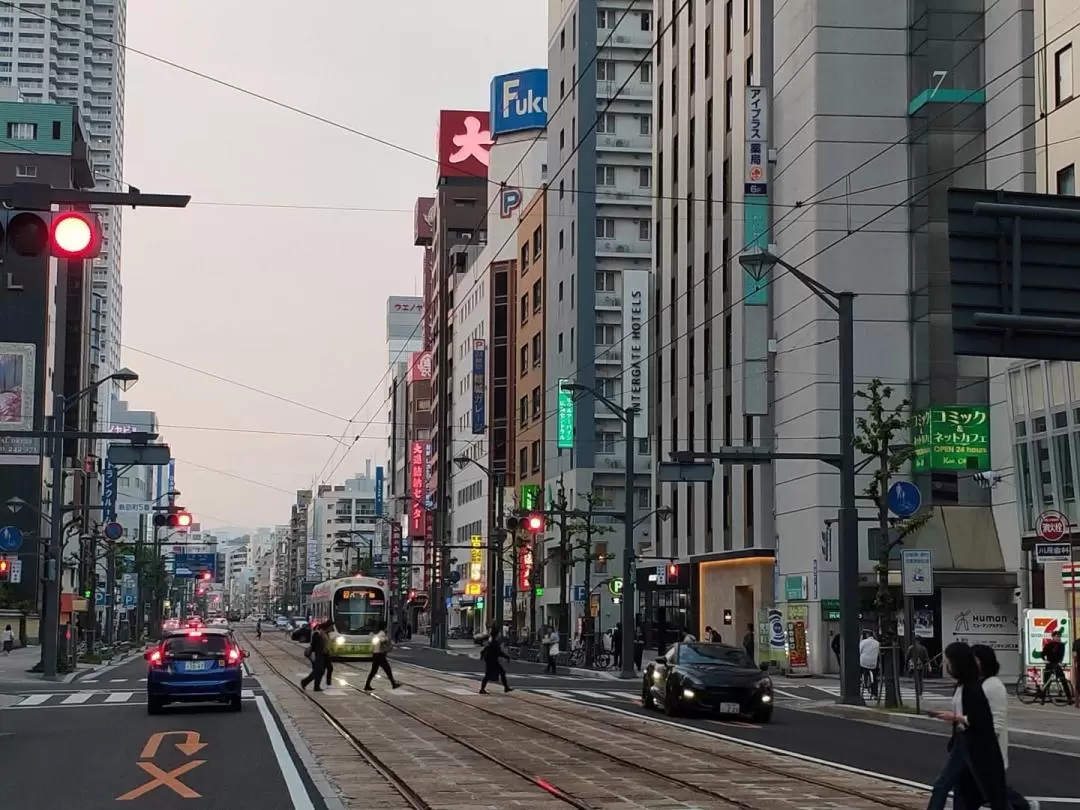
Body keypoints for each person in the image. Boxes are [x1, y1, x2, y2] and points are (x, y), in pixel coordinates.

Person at [926, 641, 1008, 810]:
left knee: (987, 790)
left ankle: (1023, 805)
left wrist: (957, 718)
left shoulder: (984, 687)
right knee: (960, 789)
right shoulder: (964, 685)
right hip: (963, 741)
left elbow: (986, 721)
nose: (946, 665)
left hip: (977, 744)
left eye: (949, 661)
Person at [971, 644, 1037, 810]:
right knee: (986, 788)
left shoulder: (993, 685)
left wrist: (984, 741)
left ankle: (1024, 806)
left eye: (975, 660)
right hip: (972, 745)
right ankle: (1024, 806)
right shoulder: (973, 683)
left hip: (988, 748)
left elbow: (997, 721)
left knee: (990, 788)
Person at [364, 621, 401, 691]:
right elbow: (382, 640)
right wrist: (387, 639)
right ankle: (393, 684)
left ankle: (367, 685)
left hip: (375, 654)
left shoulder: (377, 633)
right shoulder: (382, 633)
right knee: (387, 670)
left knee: (373, 671)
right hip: (380, 655)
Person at [479, 626, 513, 694]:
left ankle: (482, 689)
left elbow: (486, 648)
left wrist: (482, 654)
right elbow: (498, 652)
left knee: (489, 674)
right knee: (500, 672)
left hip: (490, 659)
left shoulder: (491, 640)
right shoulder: (494, 641)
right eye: (499, 633)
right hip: (492, 660)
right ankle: (506, 688)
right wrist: (507, 657)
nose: (500, 634)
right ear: (496, 634)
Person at [300, 622, 327, 692]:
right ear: (320, 629)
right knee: (317, 671)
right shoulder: (316, 635)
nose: (324, 632)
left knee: (319, 671)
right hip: (316, 656)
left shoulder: (321, 635)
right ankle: (305, 682)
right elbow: (313, 646)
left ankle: (316, 686)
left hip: (320, 655)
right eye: (323, 630)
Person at [859, 630, 881, 698]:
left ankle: (861, 682)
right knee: (875, 677)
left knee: (860, 672)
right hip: (873, 663)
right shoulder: (877, 643)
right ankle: (875, 694)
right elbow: (878, 653)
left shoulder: (863, 642)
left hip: (863, 662)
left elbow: (860, 650)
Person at [320, 620, 335, 688]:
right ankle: (307, 682)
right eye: (331, 627)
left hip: (326, 654)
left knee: (329, 669)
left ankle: (328, 684)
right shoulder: (322, 633)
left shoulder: (327, 634)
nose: (332, 628)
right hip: (323, 654)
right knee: (323, 670)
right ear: (328, 627)